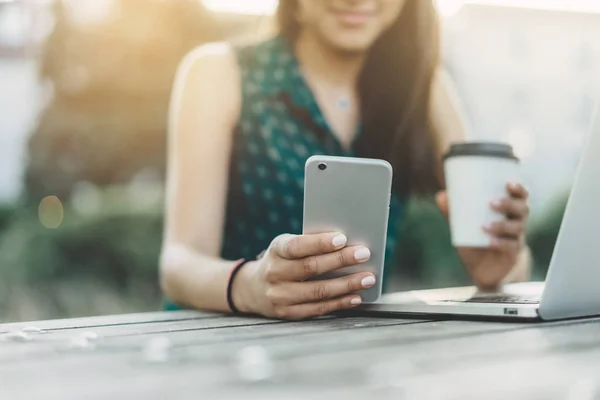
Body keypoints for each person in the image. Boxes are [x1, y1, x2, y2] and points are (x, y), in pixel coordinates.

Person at [160, 0, 531, 320]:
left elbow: (512, 266)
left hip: (350, 351)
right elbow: (179, 264)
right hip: (215, 344)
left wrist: (499, 267)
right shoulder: (218, 71)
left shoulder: (425, 88)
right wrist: (250, 286)